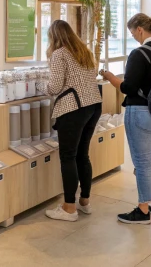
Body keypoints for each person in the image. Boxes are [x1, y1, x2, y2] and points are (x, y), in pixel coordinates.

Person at [101, 13, 151, 225]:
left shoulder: (139, 53)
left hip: (141, 112)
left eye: (133, 33)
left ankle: (143, 210)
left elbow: (128, 87)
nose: (133, 37)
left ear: (140, 29)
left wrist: (109, 77)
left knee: (142, 163)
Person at [44, 20, 103, 222]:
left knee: (68, 156)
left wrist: (42, 88)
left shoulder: (59, 53)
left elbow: (55, 86)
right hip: (93, 104)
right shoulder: (83, 51)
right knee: (82, 154)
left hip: (73, 107)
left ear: (53, 36)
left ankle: (69, 207)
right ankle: (84, 202)